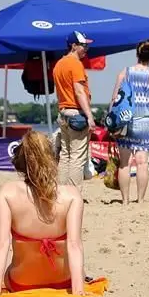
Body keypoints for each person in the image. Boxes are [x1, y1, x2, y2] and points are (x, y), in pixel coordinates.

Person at [0, 130, 85, 296]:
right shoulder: (72, 195)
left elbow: (2, 245)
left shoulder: (7, 193)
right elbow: (74, 246)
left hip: (21, 283)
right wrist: (78, 292)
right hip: (63, 282)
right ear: (53, 158)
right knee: (80, 270)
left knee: (10, 268)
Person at [110, 40, 149, 205]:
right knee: (142, 163)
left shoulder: (125, 73)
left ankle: (125, 200)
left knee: (124, 163)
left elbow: (115, 99)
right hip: (147, 122)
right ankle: (140, 200)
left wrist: (112, 122)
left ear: (137, 53)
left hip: (126, 121)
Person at [53, 31, 96, 191]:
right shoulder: (75, 64)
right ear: (74, 45)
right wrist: (90, 117)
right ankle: (74, 194)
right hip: (76, 114)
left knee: (65, 155)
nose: (86, 49)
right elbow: (79, 92)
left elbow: (60, 92)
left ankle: (62, 192)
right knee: (77, 158)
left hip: (63, 112)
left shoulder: (59, 64)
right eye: (84, 45)